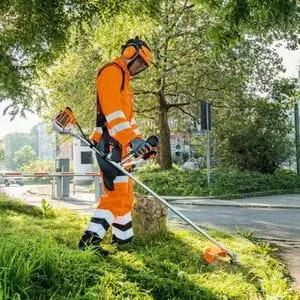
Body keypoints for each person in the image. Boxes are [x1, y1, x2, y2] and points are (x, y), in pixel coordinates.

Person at [79, 37, 154, 255]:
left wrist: (142, 144)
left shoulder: (125, 81)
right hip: (109, 144)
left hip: (122, 145)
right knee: (116, 196)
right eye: (139, 63)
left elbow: (129, 120)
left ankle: (123, 241)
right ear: (129, 52)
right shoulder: (111, 72)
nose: (139, 69)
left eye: (143, 66)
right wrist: (132, 140)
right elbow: (113, 114)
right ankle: (88, 242)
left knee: (125, 194)